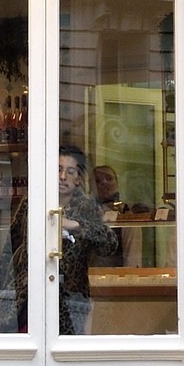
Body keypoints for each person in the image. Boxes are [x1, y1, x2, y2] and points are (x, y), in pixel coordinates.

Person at [58, 143, 119, 334]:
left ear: (78, 178)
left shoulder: (86, 207)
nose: (62, 177)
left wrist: (77, 225)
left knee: (69, 348)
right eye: (58, 169)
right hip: (32, 296)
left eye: (70, 172)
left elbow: (109, 244)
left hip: (72, 297)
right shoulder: (33, 202)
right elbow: (12, 247)